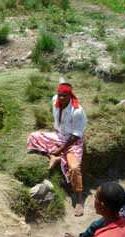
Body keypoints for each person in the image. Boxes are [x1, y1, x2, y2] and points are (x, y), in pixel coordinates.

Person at [27, 80, 87, 216]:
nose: (60, 98)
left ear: (70, 96)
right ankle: (54, 157)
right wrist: (58, 148)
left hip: (73, 141)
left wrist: (61, 149)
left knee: (74, 168)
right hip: (59, 136)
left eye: (64, 96)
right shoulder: (55, 100)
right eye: (59, 94)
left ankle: (78, 199)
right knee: (33, 136)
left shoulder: (77, 111)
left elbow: (76, 136)